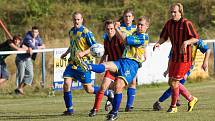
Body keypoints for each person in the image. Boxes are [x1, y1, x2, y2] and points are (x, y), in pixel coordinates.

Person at [88, 16, 150, 121]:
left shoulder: (143, 37)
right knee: (106, 65)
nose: (139, 26)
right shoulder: (135, 33)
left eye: (142, 25)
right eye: (138, 24)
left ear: (147, 27)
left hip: (131, 64)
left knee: (118, 86)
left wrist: (117, 28)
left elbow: (126, 40)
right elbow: (125, 38)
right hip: (122, 60)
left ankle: (115, 112)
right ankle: (88, 66)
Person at [60, 11, 113, 116]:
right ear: (73, 20)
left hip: (84, 64)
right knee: (66, 84)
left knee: (89, 89)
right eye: (75, 19)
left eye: (78, 19)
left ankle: (108, 93)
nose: (76, 21)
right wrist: (66, 53)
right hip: (72, 62)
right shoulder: (71, 31)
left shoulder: (86, 32)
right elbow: (72, 45)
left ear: (82, 20)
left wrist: (84, 52)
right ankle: (69, 109)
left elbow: (95, 46)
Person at [153, 3, 199, 113]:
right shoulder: (169, 24)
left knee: (174, 83)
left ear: (180, 12)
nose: (172, 14)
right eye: (171, 12)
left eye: (175, 12)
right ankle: (191, 99)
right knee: (171, 82)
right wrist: (158, 43)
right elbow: (164, 37)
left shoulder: (186, 23)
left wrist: (187, 42)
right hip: (174, 57)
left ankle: (173, 107)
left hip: (185, 58)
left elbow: (196, 38)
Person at [153, 39, 211, 111]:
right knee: (174, 84)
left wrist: (205, 62)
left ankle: (162, 103)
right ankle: (185, 99)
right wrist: (168, 70)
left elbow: (208, 50)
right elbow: (171, 58)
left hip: (187, 66)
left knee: (174, 84)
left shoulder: (196, 41)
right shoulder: (176, 41)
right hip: (177, 65)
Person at [88, 20, 124, 117]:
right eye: (108, 29)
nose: (110, 31)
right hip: (111, 67)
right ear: (105, 29)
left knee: (117, 88)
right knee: (103, 87)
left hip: (122, 67)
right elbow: (105, 54)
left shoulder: (119, 38)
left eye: (112, 29)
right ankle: (95, 109)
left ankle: (114, 109)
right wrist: (100, 66)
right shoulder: (106, 40)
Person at [15, 26, 45, 95]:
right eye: (33, 32)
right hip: (20, 58)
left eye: (36, 32)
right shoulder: (27, 37)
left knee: (30, 75)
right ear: (31, 32)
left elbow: (43, 45)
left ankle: (19, 88)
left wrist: (40, 47)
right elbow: (33, 47)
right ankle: (19, 92)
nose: (34, 33)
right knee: (21, 75)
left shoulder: (38, 38)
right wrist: (40, 47)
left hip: (28, 59)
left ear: (38, 32)